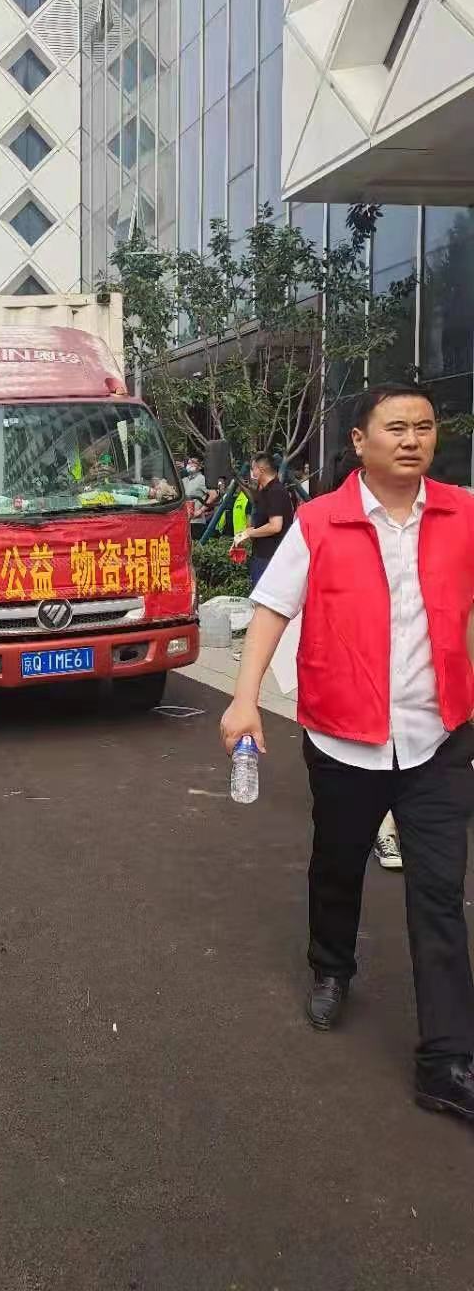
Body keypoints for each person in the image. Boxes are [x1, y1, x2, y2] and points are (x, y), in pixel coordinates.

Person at [221, 383, 474, 1125]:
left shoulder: (463, 514)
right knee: (337, 865)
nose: (412, 439)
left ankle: (446, 1061)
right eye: (396, 427)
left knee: (439, 893)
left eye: (424, 426)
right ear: (360, 441)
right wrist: (243, 699)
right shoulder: (319, 521)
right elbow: (272, 609)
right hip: (343, 737)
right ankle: (331, 967)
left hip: (438, 737)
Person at [233, 452, 293, 589]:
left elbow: (275, 526)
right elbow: (263, 524)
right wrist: (243, 535)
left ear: (261, 470)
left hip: (271, 558)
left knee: (264, 598)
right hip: (262, 555)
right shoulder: (265, 492)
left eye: (253, 469)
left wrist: (249, 533)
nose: (252, 473)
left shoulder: (276, 491)